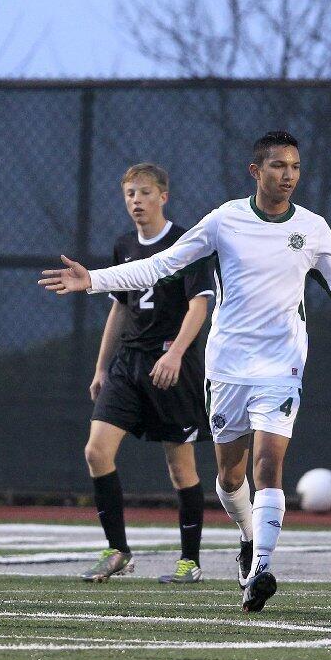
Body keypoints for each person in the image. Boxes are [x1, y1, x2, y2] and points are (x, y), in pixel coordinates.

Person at [39, 131, 331, 612]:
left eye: (294, 167)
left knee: (268, 465)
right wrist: (94, 280)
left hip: (282, 366)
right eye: (278, 166)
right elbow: (160, 266)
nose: (288, 176)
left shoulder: (313, 228)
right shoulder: (224, 221)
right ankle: (248, 536)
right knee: (230, 477)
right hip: (228, 366)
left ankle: (260, 571)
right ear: (256, 172)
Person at [78, 163, 215, 584]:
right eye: (129, 194)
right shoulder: (123, 246)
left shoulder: (186, 243)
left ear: (163, 196)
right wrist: (102, 366)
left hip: (172, 366)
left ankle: (189, 561)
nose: (136, 201)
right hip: (128, 364)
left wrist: (175, 353)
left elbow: (200, 306)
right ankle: (118, 550)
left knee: (180, 467)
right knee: (96, 451)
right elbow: (120, 307)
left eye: (144, 193)